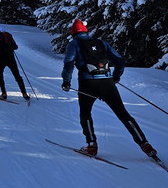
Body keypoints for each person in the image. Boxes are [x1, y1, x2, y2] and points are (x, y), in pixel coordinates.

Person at [61, 19, 157, 157]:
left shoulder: (74, 44)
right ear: (86, 32)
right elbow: (119, 60)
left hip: (87, 83)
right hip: (107, 82)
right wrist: (116, 77)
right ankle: (145, 144)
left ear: (73, 33)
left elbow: (68, 63)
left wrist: (66, 81)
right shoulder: (101, 43)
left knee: (85, 113)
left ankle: (91, 146)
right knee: (123, 114)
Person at [0, 29, 30, 102]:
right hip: (11, 59)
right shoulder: (9, 37)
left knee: (0, 76)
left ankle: (4, 94)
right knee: (17, 76)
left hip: (0, 59)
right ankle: (25, 94)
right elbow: (16, 47)